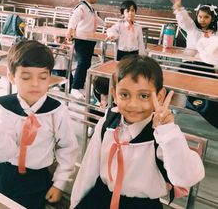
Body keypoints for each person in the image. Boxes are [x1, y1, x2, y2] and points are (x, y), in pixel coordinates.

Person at [70, 55, 205, 209]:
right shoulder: (107, 122)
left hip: (142, 205)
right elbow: (88, 169)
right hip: (101, 197)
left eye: (144, 96)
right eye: (125, 95)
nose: (133, 104)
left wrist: (168, 132)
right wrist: (75, 204)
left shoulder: (163, 135)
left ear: (159, 96)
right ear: (115, 94)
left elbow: (186, 177)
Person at [0, 40, 78, 209]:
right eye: (26, 77)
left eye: (43, 77)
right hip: (2, 173)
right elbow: (3, 154)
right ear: (11, 76)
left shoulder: (57, 111)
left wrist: (60, 183)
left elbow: (68, 148)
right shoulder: (2, 108)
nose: (35, 83)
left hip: (36, 178)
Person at [171, 0, 218, 128]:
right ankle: (179, 107)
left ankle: (208, 112)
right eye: (200, 16)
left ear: (212, 19)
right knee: (183, 88)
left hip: (205, 67)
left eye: (206, 17)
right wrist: (178, 8)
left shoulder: (215, 34)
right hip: (188, 65)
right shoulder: (192, 29)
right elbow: (184, 20)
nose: (202, 20)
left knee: (207, 92)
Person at [66, 0, 104, 99]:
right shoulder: (82, 7)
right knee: (82, 63)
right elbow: (74, 19)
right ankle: (74, 88)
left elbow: (96, 19)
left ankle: (80, 86)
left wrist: (106, 25)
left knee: (86, 63)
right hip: (82, 40)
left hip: (89, 40)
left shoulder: (90, 8)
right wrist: (70, 29)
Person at [50, 22, 73, 92]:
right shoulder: (50, 45)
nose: (59, 39)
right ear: (52, 36)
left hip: (66, 70)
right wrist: (56, 52)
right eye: (57, 37)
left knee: (71, 87)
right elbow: (50, 60)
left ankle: (61, 85)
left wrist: (66, 52)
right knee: (60, 85)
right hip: (55, 70)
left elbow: (74, 59)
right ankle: (57, 85)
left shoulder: (68, 45)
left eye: (61, 37)